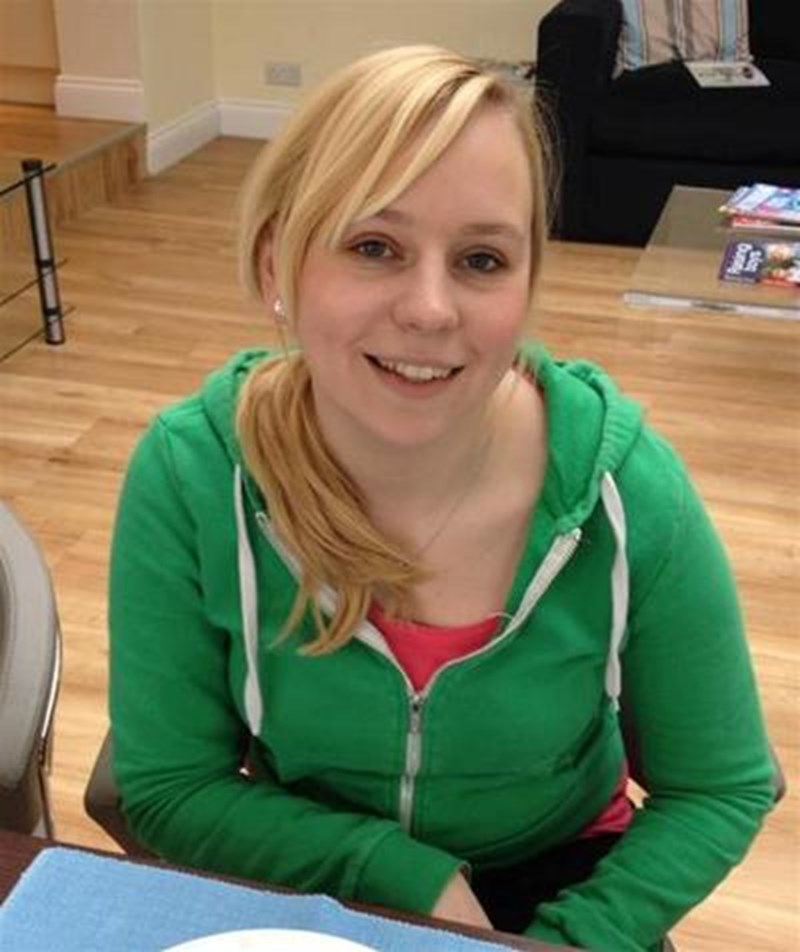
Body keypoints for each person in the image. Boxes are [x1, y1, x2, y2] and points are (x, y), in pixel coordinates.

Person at [108, 45, 776, 952]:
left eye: (481, 259)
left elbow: (721, 786)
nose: (430, 309)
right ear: (275, 267)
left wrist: (565, 940)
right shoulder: (192, 474)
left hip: (574, 887)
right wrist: (407, 876)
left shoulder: (627, 491)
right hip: (305, 872)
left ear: (528, 285)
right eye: (374, 247)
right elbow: (171, 787)